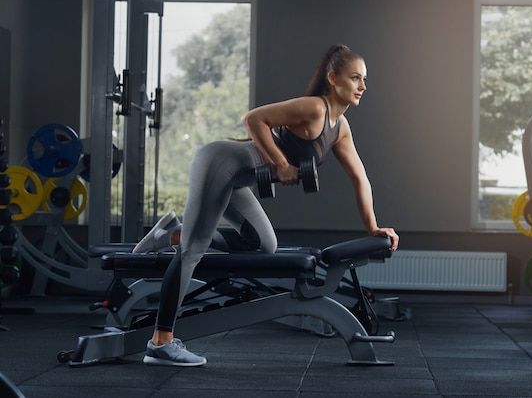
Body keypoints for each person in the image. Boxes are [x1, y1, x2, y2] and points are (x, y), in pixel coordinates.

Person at [137, 44, 400, 366]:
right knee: (194, 249)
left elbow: (361, 179)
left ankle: (171, 234)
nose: (362, 86)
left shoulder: (340, 128)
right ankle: (160, 341)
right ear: (333, 78)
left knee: (263, 244)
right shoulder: (315, 108)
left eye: (364, 79)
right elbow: (254, 118)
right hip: (220, 161)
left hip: (236, 179)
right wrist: (280, 163)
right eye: (355, 78)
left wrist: (373, 227)